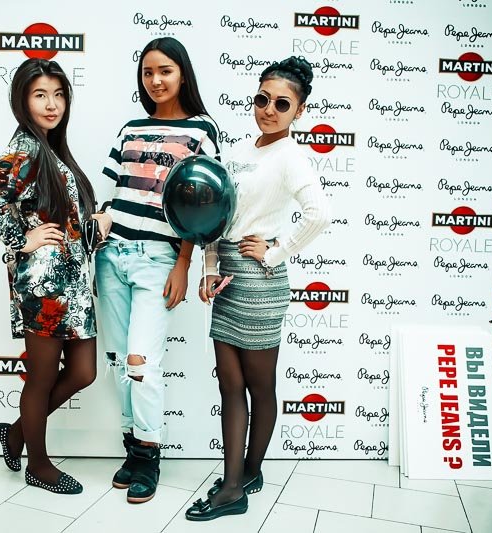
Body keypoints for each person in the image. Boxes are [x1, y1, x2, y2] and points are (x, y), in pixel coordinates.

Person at [185, 56, 331, 521]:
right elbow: (217, 215)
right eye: (262, 99)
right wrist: (209, 268)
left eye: (282, 104)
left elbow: (319, 214)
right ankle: (240, 476)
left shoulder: (291, 157)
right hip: (228, 276)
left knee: (259, 386)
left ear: (299, 111)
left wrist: (275, 252)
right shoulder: (240, 151)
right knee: (230, 386)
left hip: (260, 284)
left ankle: (238, 483)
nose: (269, 109)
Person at [92, 37, 219, 504]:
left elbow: (204, 204)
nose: (156, 80)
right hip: (111, 257)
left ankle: (149, 454)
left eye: (165, 70)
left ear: (182, 74)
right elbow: (110, 191)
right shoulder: (131, 128)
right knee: (118, 362)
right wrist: (99, 223)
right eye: (147, 72)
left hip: (158, 260)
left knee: (141, 363)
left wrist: (184, 262)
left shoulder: (202, 131)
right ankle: (133, 446)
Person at [0, 58, 97, 495]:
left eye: (59, 95)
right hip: (43, 284)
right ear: (22, 100)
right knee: (42, 378)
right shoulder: (24, 148)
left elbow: (68, 225)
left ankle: (16, 433)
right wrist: (21, 239)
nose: (52, 104)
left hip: (72, 283)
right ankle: (38, 466)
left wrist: (97, 224)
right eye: (40, 95)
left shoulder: (50, 149)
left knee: (83, 372)